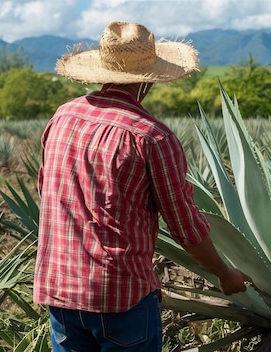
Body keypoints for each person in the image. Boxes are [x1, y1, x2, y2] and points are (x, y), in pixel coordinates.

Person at [33, 21, 250, 351]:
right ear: (149, 78)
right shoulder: (152, 137)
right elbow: (184, 227)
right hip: (120, 297)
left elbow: (47, 191)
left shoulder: (62, 116)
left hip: (60, 291)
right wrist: (224, 273)